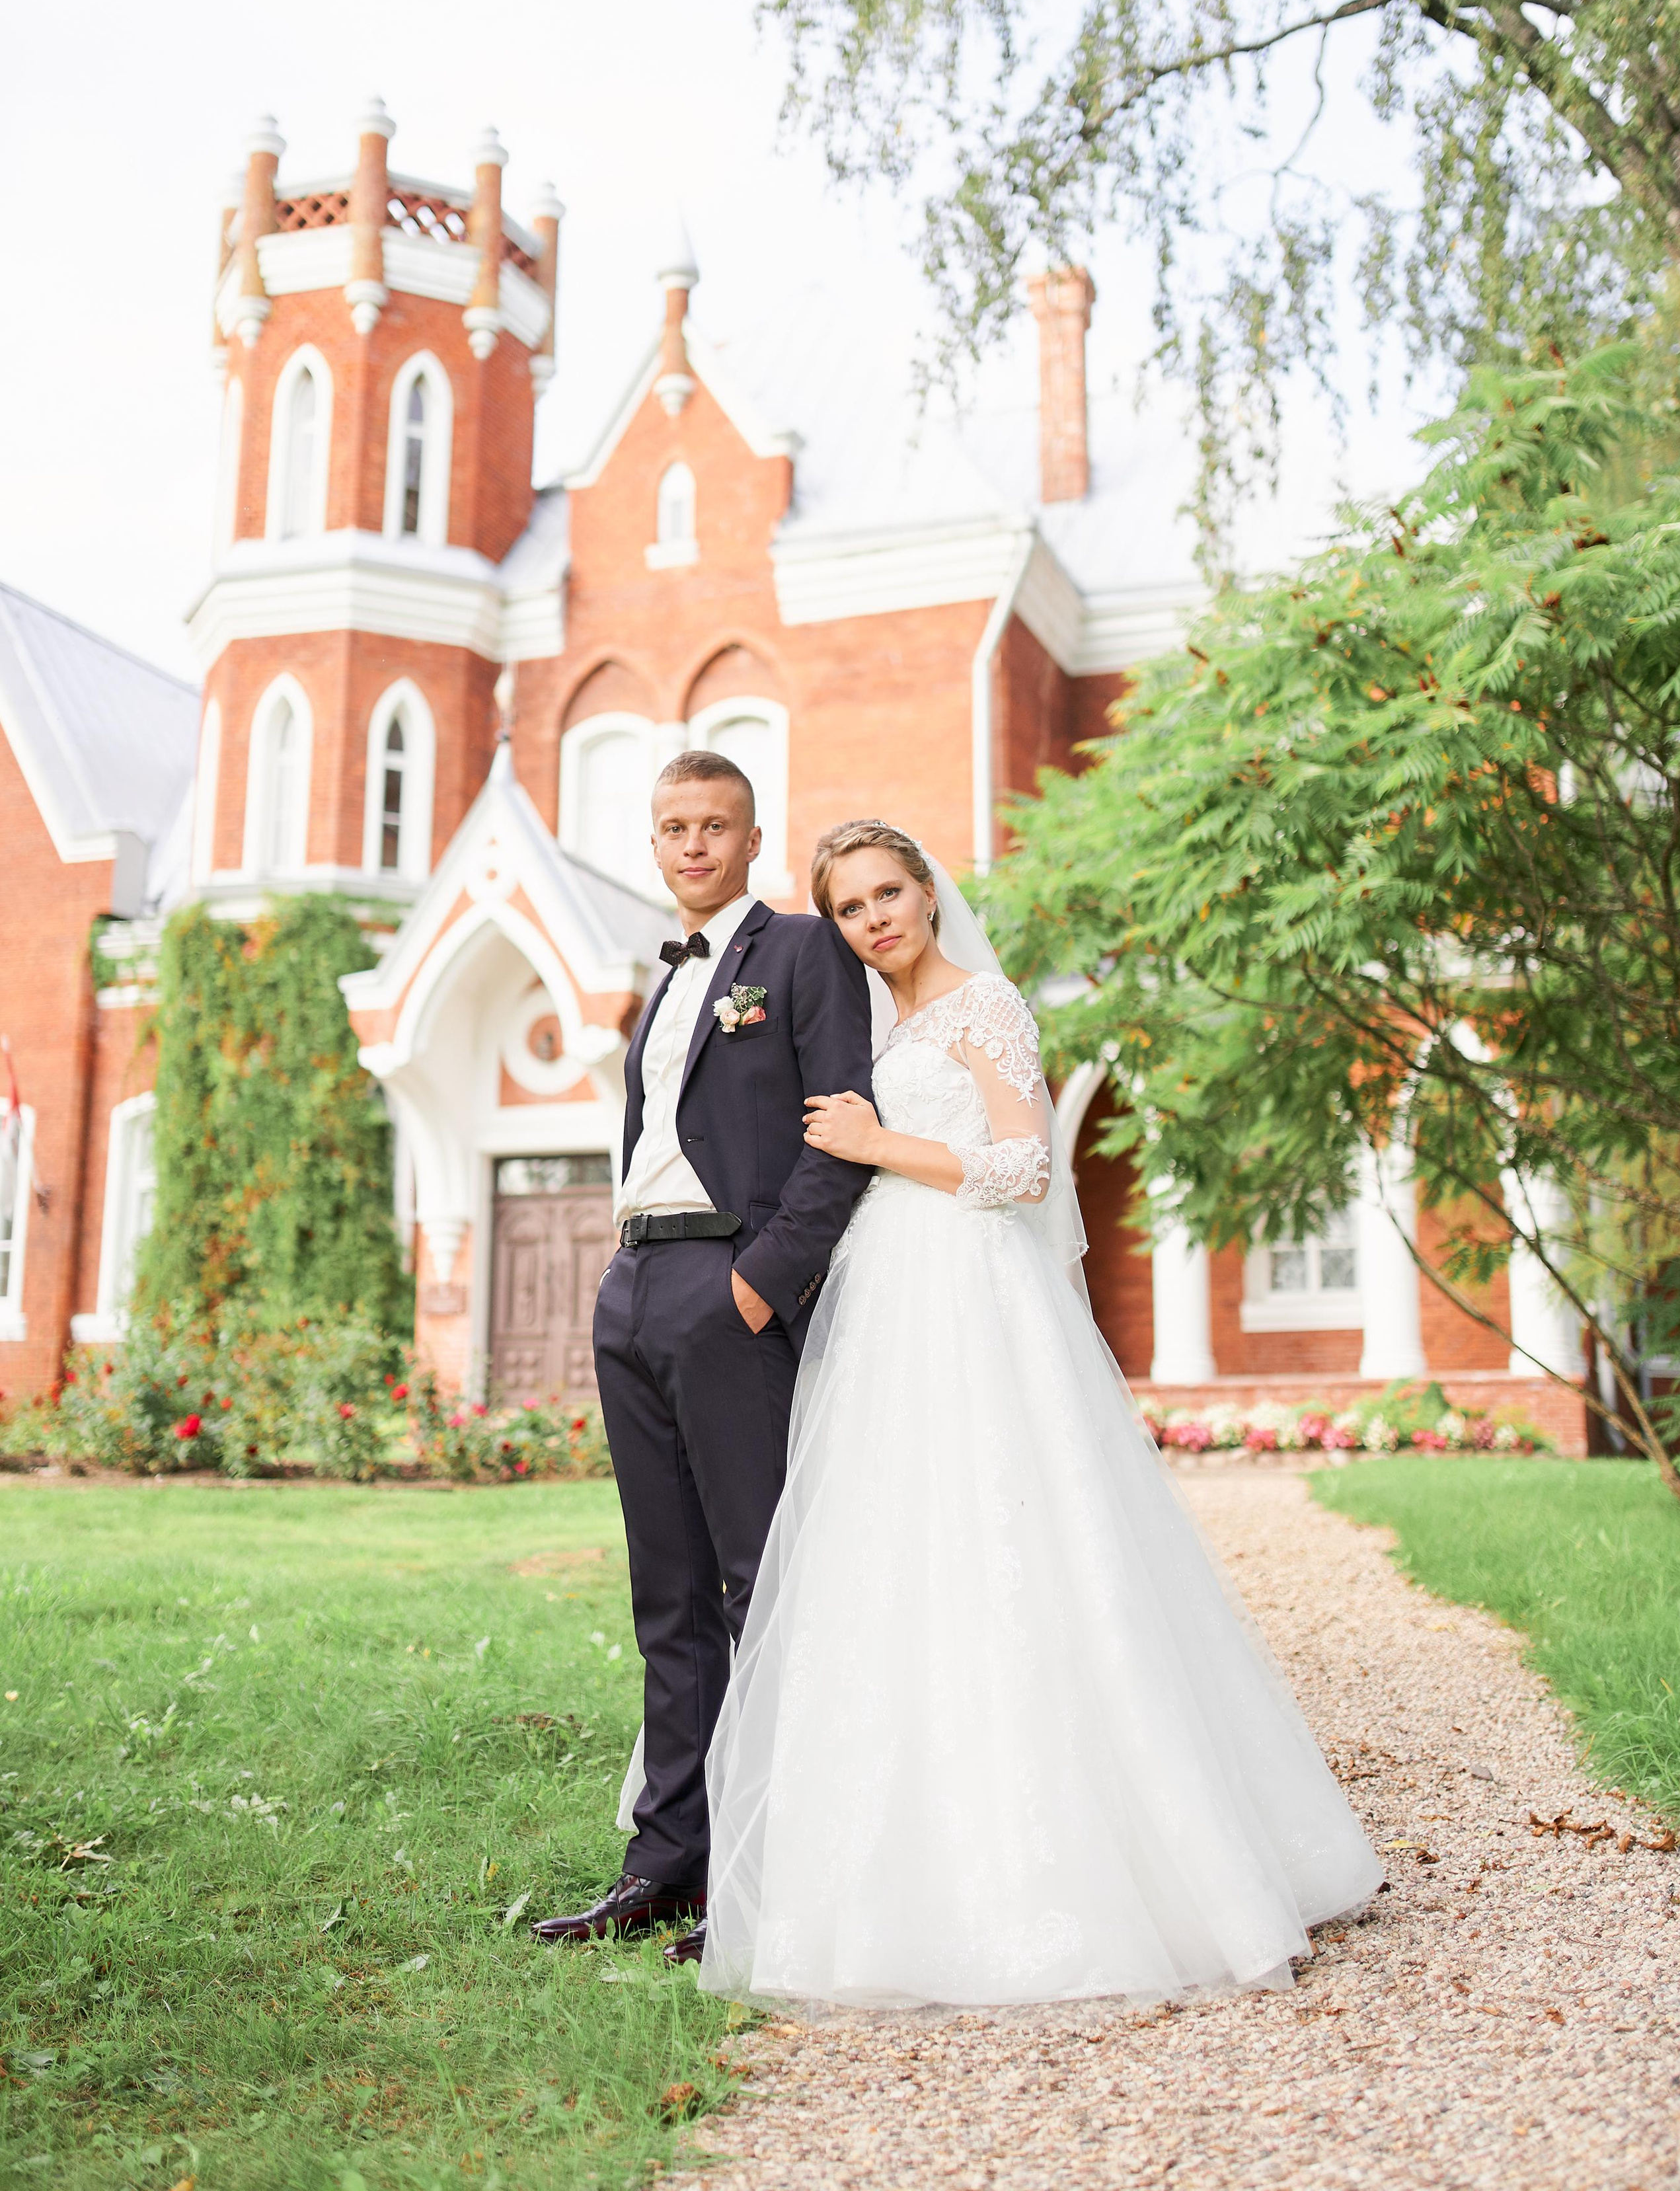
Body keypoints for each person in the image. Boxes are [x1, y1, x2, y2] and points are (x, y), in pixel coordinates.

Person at [697, 818, 1383, 2008]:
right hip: (888, 1304)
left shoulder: (984, 1004)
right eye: (850, 907)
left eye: (888, 894)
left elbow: (1026, 1167)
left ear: (927, 892)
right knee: (898, 1560)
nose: (873, 921)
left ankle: (1115, 1868)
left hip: (971, 1296)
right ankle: (897, 1877)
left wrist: (879, 1140)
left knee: (1018, 1540)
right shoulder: (883, 1022)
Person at [531, 753, 874, 1963]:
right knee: (665, 1598)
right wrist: (624, 1281)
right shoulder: (659, 979)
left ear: (750, 835)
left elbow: (843, 1134)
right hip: (633, 1286)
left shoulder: (798, 955)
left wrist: (758, 1286)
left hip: (727, 1289)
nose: (692, 846)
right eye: (673, 827)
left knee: (754, 1589)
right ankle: (665, 1863)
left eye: (713, 827)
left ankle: (766, 1869)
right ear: (656, 839)